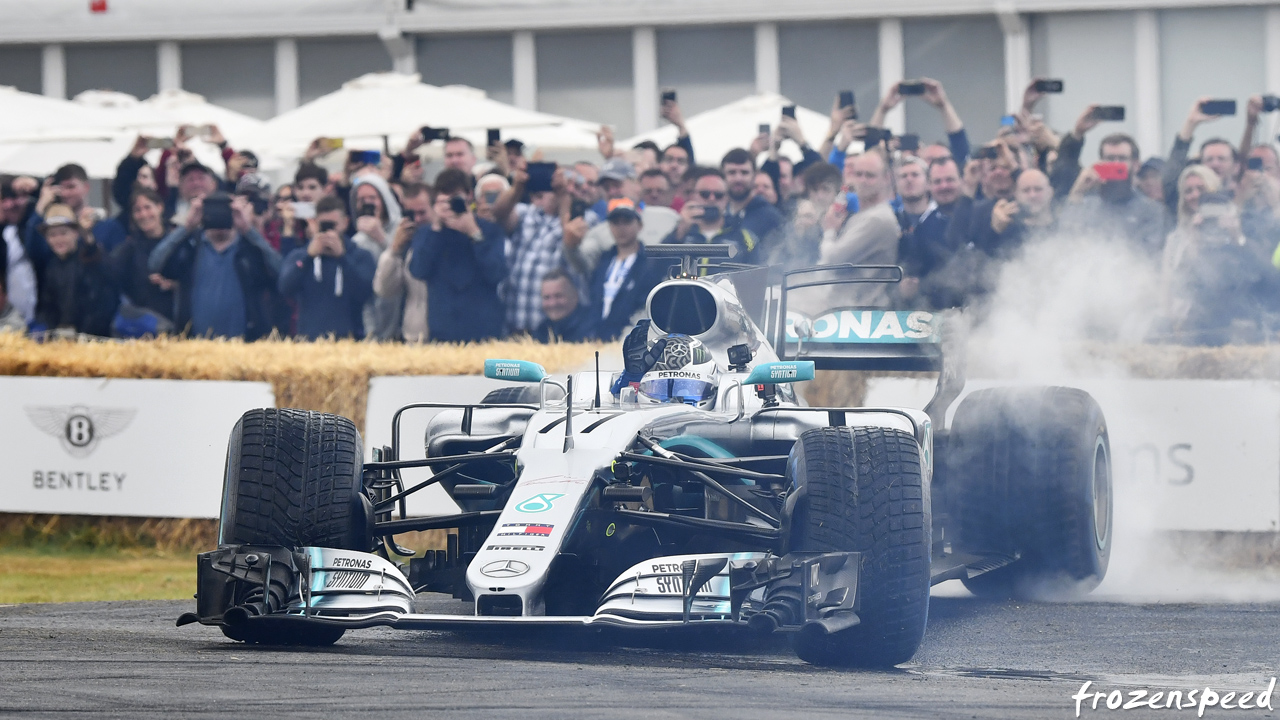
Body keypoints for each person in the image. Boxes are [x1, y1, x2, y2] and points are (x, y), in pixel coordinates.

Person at [149, 192, 281, 340]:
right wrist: (187, 227)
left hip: (244, 345)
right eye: (214, 211)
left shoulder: (249, 249)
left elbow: (279, 271)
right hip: (195, 345)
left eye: (226, 211)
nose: (220, 216)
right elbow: (155, 263)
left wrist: (248, 229)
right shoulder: (191, 247)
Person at [1160, 165, 1259, 345]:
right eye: (1188, 191)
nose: (1195, 195)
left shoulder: (1239, 224)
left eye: (1201, 189)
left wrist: (1236, 237)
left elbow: (1257, 273)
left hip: (1235, 324)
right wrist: (1193, 243)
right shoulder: (1176, 239)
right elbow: (1173, 285)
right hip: (1191, 325)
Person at [408, 168, 507, 342]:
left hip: (484, 330)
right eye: (444, 201)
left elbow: (496, 273)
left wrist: (474, 233)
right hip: (442, 330)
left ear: (469, 196)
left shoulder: (489, 230)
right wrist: (436, 228)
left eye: (455, 199)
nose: (449, 206)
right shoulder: (427, 233)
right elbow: (418, 270)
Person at [278, 195, 376, 340]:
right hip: (309, 342)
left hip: (350, 342)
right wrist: (308, 257)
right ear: (316, 223)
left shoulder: (360, 256)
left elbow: (366, 293)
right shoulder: (300, 256)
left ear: (345, 223)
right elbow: (285, 288)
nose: (328, 231)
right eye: (323, 225)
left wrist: (343, 258)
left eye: (332, 225)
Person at [1058, 132, 1167, 256]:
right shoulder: (1087, 204)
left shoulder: (1151, 210)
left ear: (1136, 166)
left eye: (1122, 159)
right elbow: (1065, 240)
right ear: (1100, 163)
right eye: (1110, 159)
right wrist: (1077, 192)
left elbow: (1147, 256)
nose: (1115, 164)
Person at [816, 151, 899, 307]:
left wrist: (830, 231)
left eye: (870, 175)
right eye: (858, 174)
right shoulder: (862, 215)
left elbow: (832, 262)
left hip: (862, 311)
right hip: (847, 308)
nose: (863, 180)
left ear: (886, 178)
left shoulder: (877, 219)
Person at [33, 204, 118, 337]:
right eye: (52, 235)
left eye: (63, 233)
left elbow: (104, 274)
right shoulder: (51, 267)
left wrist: (81, 333)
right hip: (63, 339)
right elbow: (48, 305)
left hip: (94, 338)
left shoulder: (89, 257)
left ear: (75, 233)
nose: (58, 239)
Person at [588, 199, 667, 341]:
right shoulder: (603, 260)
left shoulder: (650, 263)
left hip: (629, 339)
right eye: (615, 223)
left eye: (627, 221)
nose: (621, 228)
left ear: (640, 225)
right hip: (595, 339)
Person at [373, 182, 432, 343]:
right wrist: (394, 250)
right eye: (411, 214)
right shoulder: (404, 244)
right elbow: (384, 290)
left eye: (422, 213)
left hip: (445, 335)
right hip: (413, 337)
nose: (417, 219)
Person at [348, 172, 403, 340]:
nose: (367, 203)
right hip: (373, 318)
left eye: (372, 197)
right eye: (361, 199)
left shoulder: (401, 229)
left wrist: (381, 238)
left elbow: (405, 267)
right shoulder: (356, 241)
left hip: (401, 315)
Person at [1161, 97, 1238, 215]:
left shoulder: (1240, 198)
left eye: (1221, 159)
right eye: (1209, 159)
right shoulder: (1189, 198)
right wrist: (1191, 123)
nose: (1215, 164)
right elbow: (1168, 181)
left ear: (1234, 165)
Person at [109, 189, 177, 324]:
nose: (143, 214)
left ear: (160, 207)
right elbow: (111, 276)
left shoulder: (177, 242)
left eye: (147, 207)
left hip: (176, 320)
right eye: (137, 210)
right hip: (143, 324)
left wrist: (173, 284)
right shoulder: (128, 249)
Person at [662, 169, 758, 264]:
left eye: (718, 195)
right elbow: (653, 272)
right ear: (693, 195)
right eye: (705, 194)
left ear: (727, 198)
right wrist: (679, 234)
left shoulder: (744, 237)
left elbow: (757, 273)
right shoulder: (679, 233)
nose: (712, 199)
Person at [721, 148, 785, 258]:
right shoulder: (719, 215)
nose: (738, 178)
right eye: (732, 172)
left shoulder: (771, 217)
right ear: (723, 176)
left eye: (744, 172)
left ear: (754, 175)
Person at [533, 268, 594, 343]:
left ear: (575, 296)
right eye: (547, 298)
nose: (553, 303)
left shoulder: (592, 329)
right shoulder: (542, 330)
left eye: (558, 296)